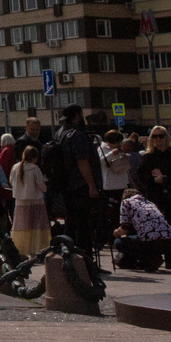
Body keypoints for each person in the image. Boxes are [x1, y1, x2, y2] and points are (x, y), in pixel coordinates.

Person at [56, 104, 102, 255]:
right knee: (84, 225)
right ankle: (85, 260)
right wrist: (92, 185)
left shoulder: (60, 133)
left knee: (71, 223)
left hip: (65, 184)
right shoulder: (77, 134)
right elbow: (82, 161)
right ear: (78, 116)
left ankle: (69, 256)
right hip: (80, 186)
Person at [113, 187, 171, 272]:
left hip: (150, 241)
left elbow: (124, 229)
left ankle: (149, 258)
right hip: (169, 238)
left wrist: (116, 232)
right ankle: (152, 258)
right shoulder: (150, 203)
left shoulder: (126, 202)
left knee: (119, 242)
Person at [137, 125, 171, 228]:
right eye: (155, 136)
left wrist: (165, 179)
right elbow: (141, 175)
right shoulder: (148, 157)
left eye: (161, 136)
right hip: (154, 196)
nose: (158, 139)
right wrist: (154, 179)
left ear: (166, 137)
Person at [9, 145, 50, 255]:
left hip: (20, 202)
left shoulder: (15, 167)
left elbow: (11, 181)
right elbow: (41, 185)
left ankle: (21, 249)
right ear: (35, 158)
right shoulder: (35, 169)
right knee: (36, 226)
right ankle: (35, 250)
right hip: (36, 201)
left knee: (22, 227)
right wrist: (46, 187)